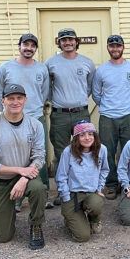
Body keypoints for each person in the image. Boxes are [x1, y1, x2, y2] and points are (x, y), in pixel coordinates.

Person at [0, 83, 46, 249]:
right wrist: (19, 170)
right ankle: (7, 214)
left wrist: (23, 177)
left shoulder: (35, 125)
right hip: (0, 180)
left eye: (19, 98)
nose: (15, 102)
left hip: (26, 178)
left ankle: (36, 224)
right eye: (10, 98)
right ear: (3, 101)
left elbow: (39, 157)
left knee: (38, 188)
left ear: (25, 100)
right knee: (3, 237)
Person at [0, 32, 51, 209]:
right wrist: (7, 113)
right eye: (25, 45)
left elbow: (45, 92)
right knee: (16, 157)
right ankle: (17, 198)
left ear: (35, 49)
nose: (29, 48)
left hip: (36, 117)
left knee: (39, 155)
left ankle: (43, 194)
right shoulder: (5, 68)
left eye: (32, 45)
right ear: (19, 47)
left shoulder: (41, 69)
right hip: (13, 120)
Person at [45, 28, 96, 205]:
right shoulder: (51, 63)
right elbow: (47, 88)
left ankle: (83, 189)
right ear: (59, 42)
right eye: (63, 40)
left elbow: (89, 87)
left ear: (76, 42)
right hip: (59, 115)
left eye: (70, 39)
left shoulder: (87, 63)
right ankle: (62, 191)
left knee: (84, 151)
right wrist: (60, 100)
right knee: (61, 154)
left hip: (80, 112)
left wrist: (77, 99)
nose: (67, 42)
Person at [92, 34, 130, 200]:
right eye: (112, 46)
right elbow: (96, 94)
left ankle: (129, 182)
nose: (115, 49)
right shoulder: (101, 70)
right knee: (107, 151)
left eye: (118, 46)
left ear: (123, 48)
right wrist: (107, 106)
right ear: (108, 48)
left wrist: (125, 104)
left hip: (127, 115)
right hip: (107, 117)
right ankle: (111, 184)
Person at [55, 121, 109, 242]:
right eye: (82, 135)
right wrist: (66, 196)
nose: (87, 138)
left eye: (90, 134)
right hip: (72, 194)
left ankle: (94, 220)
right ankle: (71, 219)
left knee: (96, 203)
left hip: (91, 192)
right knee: (83, 236)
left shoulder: (102, 149)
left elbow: (104, 170)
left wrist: (99, 188)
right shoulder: (68, 152)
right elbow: (61, 176)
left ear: (95, 136)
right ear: (76, 137)